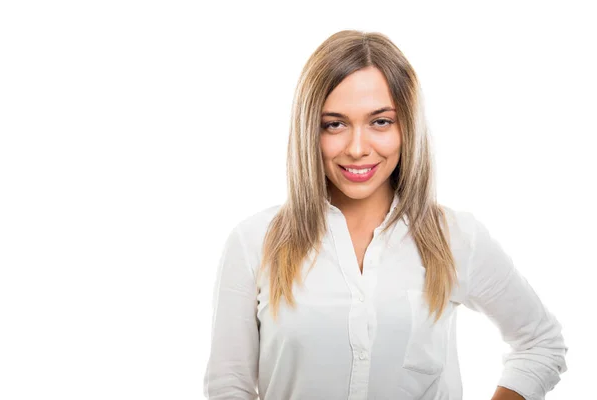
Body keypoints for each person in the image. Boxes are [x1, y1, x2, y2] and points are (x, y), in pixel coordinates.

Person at [202, 30, 568, 400]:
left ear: (406, 127)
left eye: (380, 122)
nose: (358, 148)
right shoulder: (254, 242)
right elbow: (227, 387)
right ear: (309, 130)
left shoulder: (456, 237)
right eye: (334, 124)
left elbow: (541, 343)